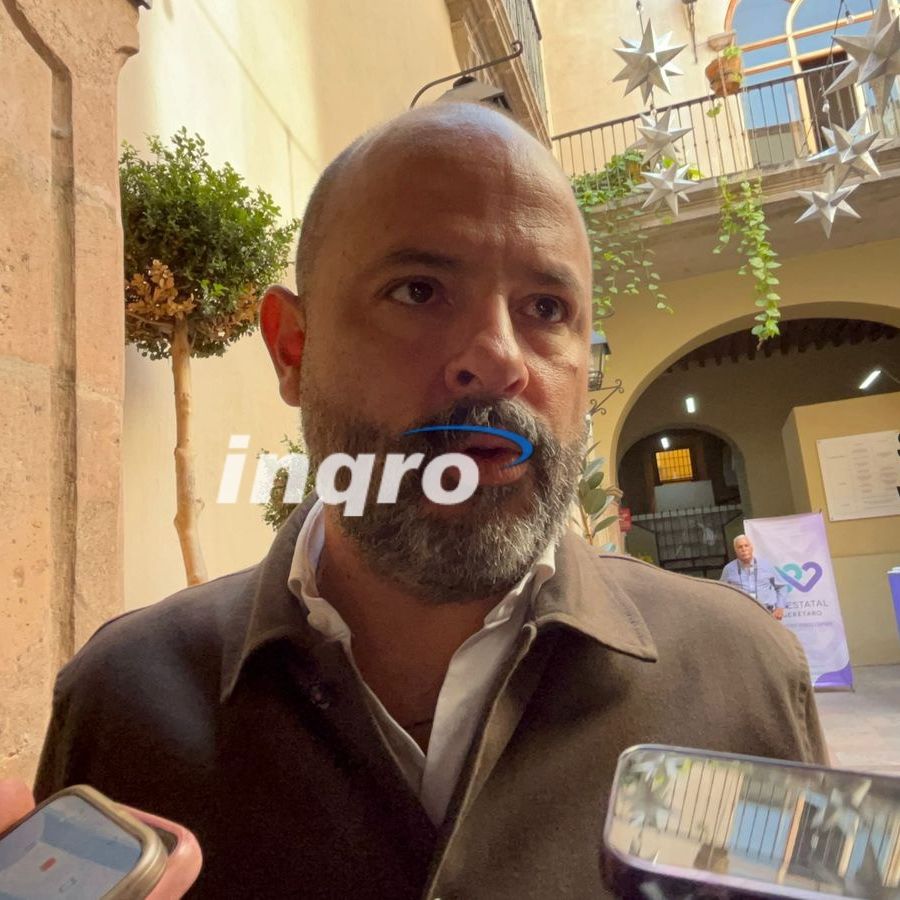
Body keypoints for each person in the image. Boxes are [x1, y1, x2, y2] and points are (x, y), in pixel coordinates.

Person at [33, 103, 827, 899]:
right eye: (419, 291)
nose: (498, 360)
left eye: (547, 309)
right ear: (293, 348)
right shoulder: (124, 698)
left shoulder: (741, 677)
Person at [721, 534, 788, 620]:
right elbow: (721, 591)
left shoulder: (766, 565)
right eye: (740, 547)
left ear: (751, 547)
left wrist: (779, 608)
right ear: (735, 550)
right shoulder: (728, 569)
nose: (744, 549)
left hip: (766, 614)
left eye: (746, 545)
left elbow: (782, 587)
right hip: (741, 616)